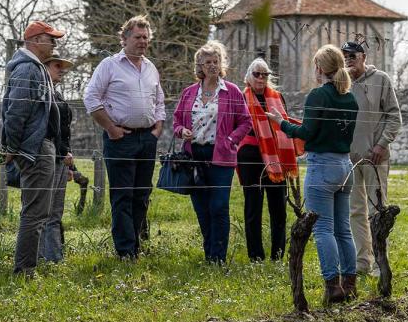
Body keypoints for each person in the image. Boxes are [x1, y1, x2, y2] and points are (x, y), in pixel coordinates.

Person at [267, 44, 359, 304]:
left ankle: (332, 286)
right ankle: (349, 283)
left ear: (319, 69)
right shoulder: (350, 98)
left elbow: (307, 133)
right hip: (345, 166)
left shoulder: (318, 95)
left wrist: (281, 123)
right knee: (343, 229)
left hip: (323, 167)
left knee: (323, 230)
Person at [83, 15, 165, 259]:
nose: (142, 42)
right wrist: (110, 128)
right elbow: (91, 98)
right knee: (122, 195)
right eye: (138, 37)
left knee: (141, 194)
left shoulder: (151, 68)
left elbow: (159, 101)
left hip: (146, 139)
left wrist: (157, 129)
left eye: (146, 38)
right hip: (120, 139)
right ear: (125, 38)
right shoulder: (110, 65)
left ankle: (136, 244)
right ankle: (125, 251)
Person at [172, 41, 252, 264]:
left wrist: (230, 139)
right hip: (193, 156)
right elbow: (176, 120)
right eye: (208, 62)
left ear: (221, 63)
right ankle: (209, 254)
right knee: (201, 207)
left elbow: (246, 122)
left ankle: (219, 257)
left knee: (218, 206)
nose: (213, 66)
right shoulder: (189, 93)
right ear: (200, 65)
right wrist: (182, 130)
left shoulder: (232, 91)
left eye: (216, 61)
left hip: (221, 156)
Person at [1, 20, 64, 275]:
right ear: (36, 40)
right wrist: (13, 147)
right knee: (36, 212)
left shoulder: (34, 68)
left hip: (36, 147)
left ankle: (28, 266)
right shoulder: (28, 70)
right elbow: (16, 112)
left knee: (38, 210)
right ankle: (25, 269)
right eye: (51, 40)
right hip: (34, 149)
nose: (54, 45)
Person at [342, 41, 402, 276]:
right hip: (349, 158)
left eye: (352, 55)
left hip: (375, 156)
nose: (348, 60)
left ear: (363, 56)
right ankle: (362, 262)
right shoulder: (341, 82)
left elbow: (394, 116)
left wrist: (381, 144)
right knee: (355, 211)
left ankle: (379, 263)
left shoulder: (381, 80)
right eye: (344, 56)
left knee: (377, 210)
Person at [237, 57, 299, 262]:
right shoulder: (241, 97)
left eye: (265, 74)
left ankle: (278, 254)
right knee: (253, 206)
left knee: (278, 208)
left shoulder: (277, 96)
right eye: (257, 74)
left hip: (276, 156)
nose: (261, 78)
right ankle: (256, 256)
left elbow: (285, 123)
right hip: (250, 156)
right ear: (248, 76)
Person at [38, 54, 74, 262]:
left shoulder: (57, 95)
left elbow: (63, 130)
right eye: (56, 65)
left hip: (60, 159)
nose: (61, 70)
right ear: (44, 67)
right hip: (45, 157)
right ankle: (41, 257)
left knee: (55, 212)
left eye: (63, 66)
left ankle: (53, 257)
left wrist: (68, 159)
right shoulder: (39, 93)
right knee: (41, 211)